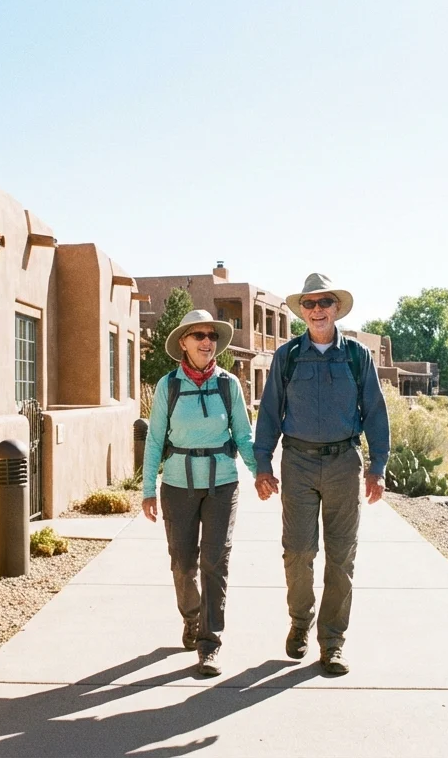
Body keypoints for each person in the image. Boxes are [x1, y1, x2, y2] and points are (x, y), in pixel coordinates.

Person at [253, 273, 389, 675]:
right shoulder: (288, 355)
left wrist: (377, 466)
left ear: (336, 309)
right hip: (297, 463)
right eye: (309, 305)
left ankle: (331, 642)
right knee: (298, 551)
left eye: (323, 303)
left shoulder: (357, 356)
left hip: (344, 463)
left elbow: (376, 413)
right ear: (302, 312)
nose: (316, 311)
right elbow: (270, 412)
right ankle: (300, 622)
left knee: (341, 556)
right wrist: (263, 463)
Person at [141, 309, 256, 677]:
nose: (208, 342)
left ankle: (210, 643)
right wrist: (147, 490)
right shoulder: (168, 386)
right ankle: (191, 617)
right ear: (184, 344)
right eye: (199, 336)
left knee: (215, 562)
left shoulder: (228, 385)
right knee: (183, 562)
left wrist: (262, 474)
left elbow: (243, 436)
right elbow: (156, 439)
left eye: (212, 336)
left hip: (222, 483)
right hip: (177, 484)